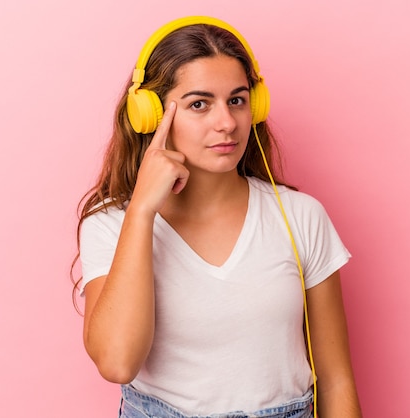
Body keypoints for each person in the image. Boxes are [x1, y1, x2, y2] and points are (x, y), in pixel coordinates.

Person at [73, 16, 362, 418]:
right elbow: (118, 362)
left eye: (237, 100)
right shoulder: (109, 225)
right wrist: (141, 211)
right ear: (150, 115)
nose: (226, 123)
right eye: (199, 104)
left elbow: (336, 379)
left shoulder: (300, 217)